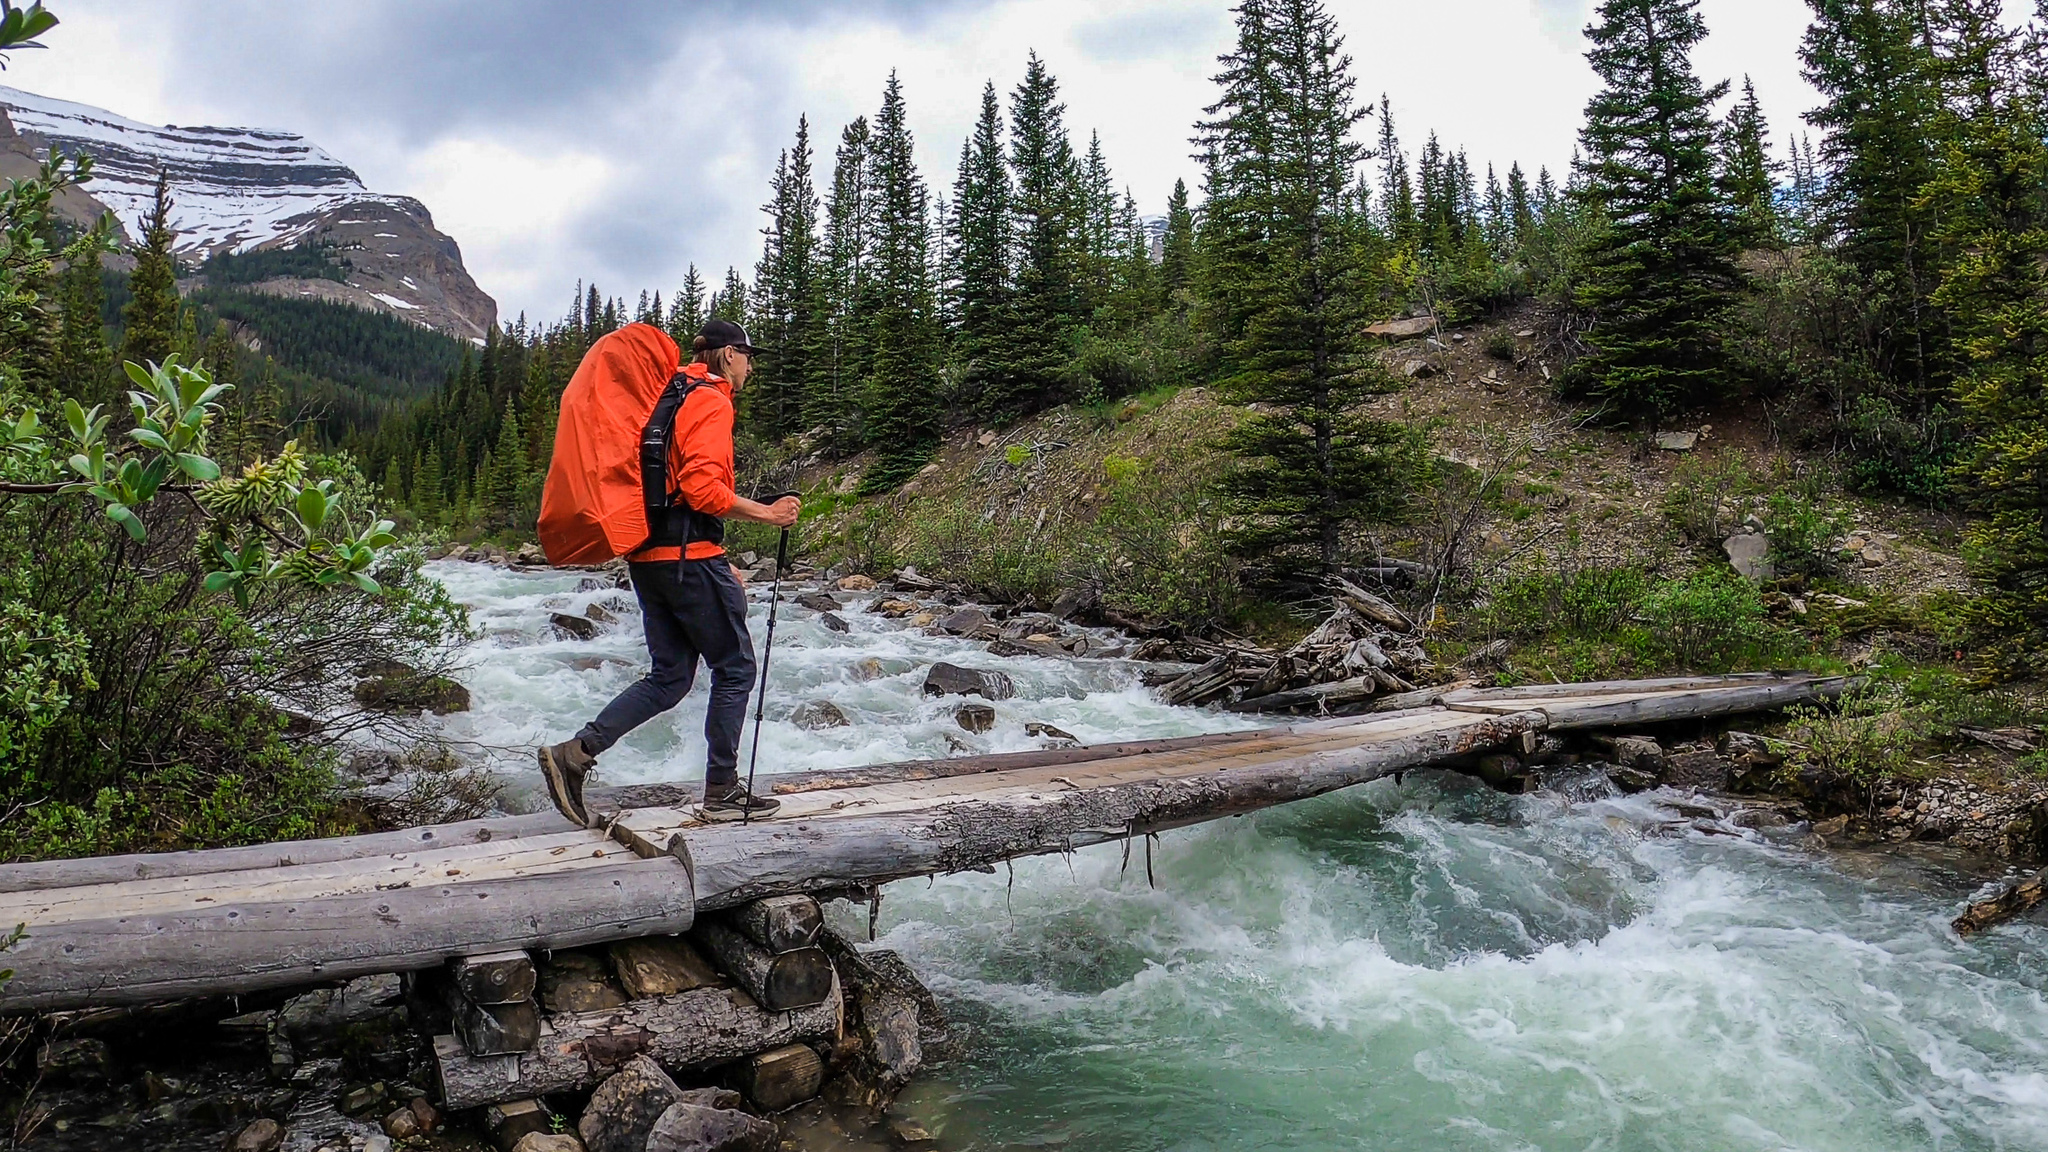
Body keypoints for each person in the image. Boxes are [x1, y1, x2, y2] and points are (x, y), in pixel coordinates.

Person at [538, 318, 801, 826]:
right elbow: (702, 491)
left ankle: (575, 754)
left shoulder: (669, 393)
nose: (751, 365)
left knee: (671, 677)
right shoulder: (711, 400)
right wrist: (768, 514)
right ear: (728, 355)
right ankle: (722, 792)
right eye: (748, 355)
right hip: (689, 558)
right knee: (735, 669)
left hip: (648, 558)